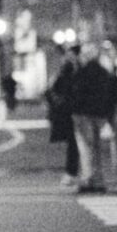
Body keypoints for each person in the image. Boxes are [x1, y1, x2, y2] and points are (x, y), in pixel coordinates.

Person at [69, 45, 117, 193]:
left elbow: (76, 95)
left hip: (83, 115)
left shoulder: (81, 73)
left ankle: (88, 179)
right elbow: (114, 95)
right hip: (101, 115)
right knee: (98, 148)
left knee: (86, 148)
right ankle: (99, 180)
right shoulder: (104, 73)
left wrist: (73, 109)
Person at [48, 44, 81, 185]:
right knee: (75, 144)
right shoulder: (70, 71)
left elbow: (52, 91)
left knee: (75, 144)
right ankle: (74, 172)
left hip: (73, 112)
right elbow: (52, 91)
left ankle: (73, 172)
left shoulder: (71, 72)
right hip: (71, 112)